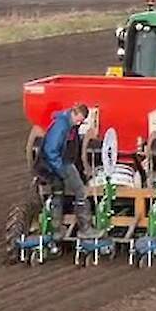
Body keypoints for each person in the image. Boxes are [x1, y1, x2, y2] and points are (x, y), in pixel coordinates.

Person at [36, 103, 101, 240]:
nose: (80, 122)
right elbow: (51, 150)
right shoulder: (62, 126)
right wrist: (61, 170)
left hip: (49, 166)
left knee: (58, 194)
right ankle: (85, 229)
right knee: (81, 192)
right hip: (61, 164)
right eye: (80, 119)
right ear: (75, 113)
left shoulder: (67, 124)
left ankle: (56, 230)